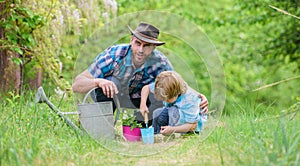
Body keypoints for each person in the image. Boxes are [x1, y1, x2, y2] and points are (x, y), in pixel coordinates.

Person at [72, 22, 208, 127]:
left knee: (161, 88)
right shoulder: (114, 54)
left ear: (154, 47)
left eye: (147, 45)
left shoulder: (160, 63)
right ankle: (103, 127)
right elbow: (77, 84)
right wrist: (98, 81)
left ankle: (145, 126)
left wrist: (199, 97)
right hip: (112, 96)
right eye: (138, 43)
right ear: (131, 40)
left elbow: (178, 86)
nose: (141, 50)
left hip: (140, 102)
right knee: (109, 81)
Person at [140, 71, 207, 135]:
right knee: (157, 113)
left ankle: (172, 133)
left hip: (191, 127)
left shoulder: (189, 100)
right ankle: (156, 134)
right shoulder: (163, 85)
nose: (165, 101)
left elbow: (193, 125)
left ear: (177, 92)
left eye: (168, 98)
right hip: (176, 115)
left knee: (169, 113)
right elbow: (146, 88)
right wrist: (143, 104)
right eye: (163, 99)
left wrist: (172, 129)